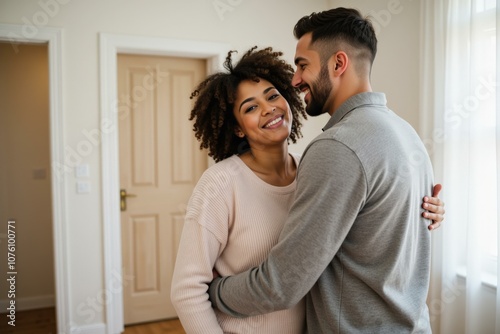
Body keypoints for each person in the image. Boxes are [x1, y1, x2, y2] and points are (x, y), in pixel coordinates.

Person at [171, 45, 444, 333]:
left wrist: (422, 208)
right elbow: (187, 290)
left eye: (273, 95)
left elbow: (366, 224)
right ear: (238, 128)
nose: (269, 109)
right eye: (250, 108)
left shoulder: (316, 170)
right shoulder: (220, 184)